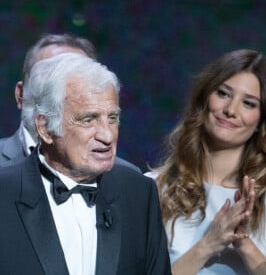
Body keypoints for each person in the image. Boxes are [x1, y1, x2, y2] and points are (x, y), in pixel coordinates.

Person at [0, 53, 171, 274]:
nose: (108, 136)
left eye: (112, 118)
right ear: (45, 128)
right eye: (88, 119)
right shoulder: (4, 194)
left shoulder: (138, 191)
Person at [146, 49, 266, 275]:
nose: (230, 110)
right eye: (223, 93)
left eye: (248, 103)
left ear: (262, 120)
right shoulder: (153, 187)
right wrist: (209, 244)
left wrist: (244, 244)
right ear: (205, 98)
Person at [0, 33, 140, 172]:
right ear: (20, 94)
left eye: (79, 79)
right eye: (49, 80)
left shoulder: (130, 180)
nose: (60, 91)